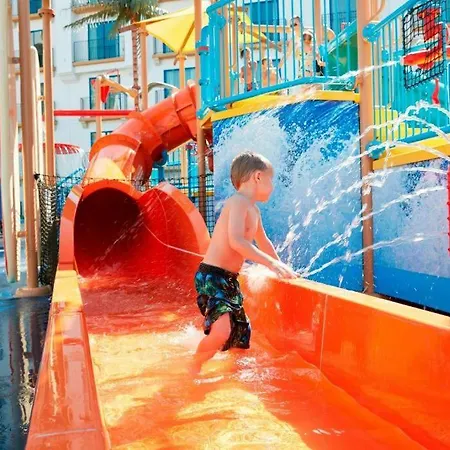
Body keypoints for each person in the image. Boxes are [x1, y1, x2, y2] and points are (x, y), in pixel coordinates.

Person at [191, 152, 298, 375]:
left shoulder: (254, 210)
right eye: (270, 179)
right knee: (222, 332)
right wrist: (271, 264)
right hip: (213, 276)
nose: (272, 185)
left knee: (241, 334)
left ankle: (233, 376)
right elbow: (236, 241)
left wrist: (282, 267)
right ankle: (192, 369)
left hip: (228, 280)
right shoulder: (237, 202)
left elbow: (264, 242)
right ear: (258, 177)